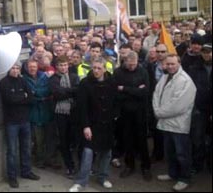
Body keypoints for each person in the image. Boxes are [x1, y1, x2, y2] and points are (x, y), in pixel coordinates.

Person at [69, 58, 115, 192]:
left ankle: (103, 177)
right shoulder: (85, 83)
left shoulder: (111, 82)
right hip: (91, 124)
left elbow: (115, 101)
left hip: (107, 124)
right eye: (94, 68)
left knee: (106, 153)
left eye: (99, 68)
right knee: (88, 152)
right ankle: (81, 181)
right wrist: (86, 126)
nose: (96, 71)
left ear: (104, 69)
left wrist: (115, 116)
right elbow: (82, 107)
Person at [153, 54, 196, 192]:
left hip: (178, 124)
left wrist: (159, 112)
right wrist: (157, 109)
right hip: (166, 122)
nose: (170, 66)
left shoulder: (185, 81)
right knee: (170, 152)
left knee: (182, 154)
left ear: (179, 63)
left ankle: (184, 178)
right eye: (168, 64)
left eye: (173, 64)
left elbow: (179, 105)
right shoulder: (165, 77)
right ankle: (172, 173)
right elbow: (156, 94)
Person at [0, 61, 40, 188]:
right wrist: (24, 97)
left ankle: (26, 171)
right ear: (8, 69)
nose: (16, 70)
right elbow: (9, 100)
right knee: (12, 151)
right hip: (11, 122)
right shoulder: (4, 83)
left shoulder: (23, 81)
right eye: (13, 68)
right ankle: (12, 177)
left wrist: (21, 97)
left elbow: (32, 98)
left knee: (26, 148)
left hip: (25, 120)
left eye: (17, 68)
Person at [113, 51, 152, 181]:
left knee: (142, 139)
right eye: (129, 65)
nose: (132, 67)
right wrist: (136, 90)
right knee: (127, 139)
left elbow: (145, 92)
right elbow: (116, 94)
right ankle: (129, 165)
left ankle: (146, 167)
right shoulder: (118, 72)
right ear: (124, 62)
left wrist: (124, 88)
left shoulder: (142, 71)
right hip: (125, 112)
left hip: (140, 111)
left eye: (134, 64)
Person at [50, 55, 79, 178]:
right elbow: (57, 93)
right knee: (64, 140)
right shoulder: (53, 79)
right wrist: (70, 91)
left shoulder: (73, 76)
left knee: (75, 139)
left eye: (65, 65)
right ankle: (69, 166)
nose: (63, 67)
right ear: (57, 67)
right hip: (60, 113)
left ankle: (79, 163)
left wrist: (65, 91)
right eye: (61, 65)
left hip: (74, 112)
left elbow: (78, 90)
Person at [23, 59, 54, 168]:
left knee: (49, 138)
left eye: (34, 66)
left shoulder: (45, 76)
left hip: (46, 111)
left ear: (37, 67)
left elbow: (48, 90)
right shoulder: (24, 79)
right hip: (34, 113)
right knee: (38, 140)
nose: (32, 69)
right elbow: (29, 94)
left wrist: (36, 92)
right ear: (27, 68)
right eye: (30, 67)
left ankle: (48, 159)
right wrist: (38, 94)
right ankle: (39, 160)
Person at [188, 43, 212, 174]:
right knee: (198, 138)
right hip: (199, 108)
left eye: (209, 52)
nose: (207, 54)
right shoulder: (195, 68)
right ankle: (198, 165)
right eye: (204, 52)